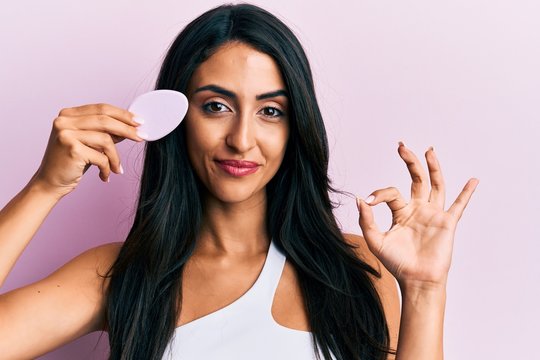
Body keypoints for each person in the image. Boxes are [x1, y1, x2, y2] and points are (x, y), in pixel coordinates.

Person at [0, 3, 479, 360]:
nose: (242, 139)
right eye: (216, 106)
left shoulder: (356, 270)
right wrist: (45, 187)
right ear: (178, 117)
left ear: (296, 129)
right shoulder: (121, 275)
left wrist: (423, 290)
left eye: (270, 111)